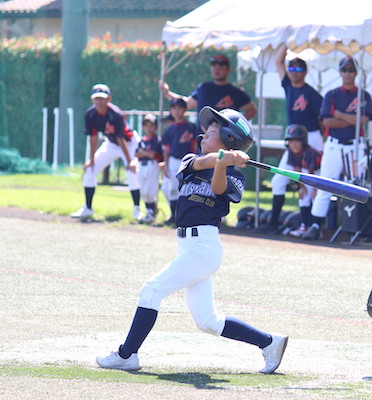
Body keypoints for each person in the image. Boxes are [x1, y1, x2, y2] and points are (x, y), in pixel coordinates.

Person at [95, 106, 288, 373]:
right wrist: (222, 157)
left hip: (205, 247)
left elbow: (219, 188)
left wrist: (224, 163)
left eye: (211, 131)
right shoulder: (190, 161)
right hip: (187, 246)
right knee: (207, 321)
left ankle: (127, 354)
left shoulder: (235, 174)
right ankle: (270, 343)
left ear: (229, 138)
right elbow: (202, 163)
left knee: (151, 290)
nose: (204, 134)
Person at [303, 56, 372, 241]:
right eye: (345, 70)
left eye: (351, 70)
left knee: (356, 185)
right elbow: (327, 121)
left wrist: (340, 115)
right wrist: (352, 118)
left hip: (355, 145)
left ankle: (359, 227)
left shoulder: (363, 95)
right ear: (340, 72)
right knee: (325, 183)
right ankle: (316, 225)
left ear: (356, 73)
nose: (348, 73)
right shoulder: (332, 94)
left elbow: (364, 120)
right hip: (334, 145)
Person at [71, 84, 141, 220]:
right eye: (96, 98)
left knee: (131, 172)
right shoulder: (90, 114)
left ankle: (137, 210)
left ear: (109, 99)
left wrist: (129, 161)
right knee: (90, 170)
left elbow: (121, 138)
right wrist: (91, 160)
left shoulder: (116, 114)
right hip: (111, 144)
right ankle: (88, 208)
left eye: (102, 98)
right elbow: (93, 137)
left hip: (129, 144)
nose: (99, 101)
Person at [255, 124, 320, 236]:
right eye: (291, 141)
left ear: (303, 141)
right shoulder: (291, 152)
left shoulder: (309, 152)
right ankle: (304, 226)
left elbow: (312, 173)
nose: (293, 144)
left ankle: (315, 227)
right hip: (307, 177)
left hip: (318, 177)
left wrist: (314, 189)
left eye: (297, 141)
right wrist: (302, 187)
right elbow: (297, 171)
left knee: (313, 196)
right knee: (303, 195)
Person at [160, 54, 257, 127]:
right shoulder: (203, 88)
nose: (217, 69)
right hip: (203, 140)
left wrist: (235, 126)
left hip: (226, 143)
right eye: (214, 66)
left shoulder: (236, 92)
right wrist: (167, 93)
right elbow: (186, 103)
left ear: (228, 69)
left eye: (221, 66)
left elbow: (252, 110)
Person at [275, 44, 324, 152]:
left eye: (298, 68)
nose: (294, 72)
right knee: (286, 168)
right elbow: (278, 62)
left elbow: (321, 119)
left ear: (305, 72)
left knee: (312, 168)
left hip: (311, 135)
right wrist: (286, 42)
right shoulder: (288, 85)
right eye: (291, 68)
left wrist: (323, 137)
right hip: (293, 136)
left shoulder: (312, 93)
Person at [161, 98, 198, 225]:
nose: (177, 111)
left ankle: (184, 215)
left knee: (185, 189)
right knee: (172, 188)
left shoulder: (191, 127)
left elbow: (194, 146)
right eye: (174, 108)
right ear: (171, 110)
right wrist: (165, 164)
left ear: (184, 110)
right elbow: (166, 149)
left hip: (187, 161)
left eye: (180, 108)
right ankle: (174, 216)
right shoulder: (170, 129)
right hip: (172, 160)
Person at [135, 114, 163, 224]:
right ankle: (149, 211)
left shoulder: (156, 139)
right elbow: (137, 154)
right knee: (143, 191)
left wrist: (144, 153)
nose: (149, 128)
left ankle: (152, 211)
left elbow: (153, 155)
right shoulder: (142, 140)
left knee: (150, 190)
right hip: (142, 165)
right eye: (146, 125)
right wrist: (145, 153)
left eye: (151, 125)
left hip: (152, 165)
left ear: (156, 127)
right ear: (143, 127)